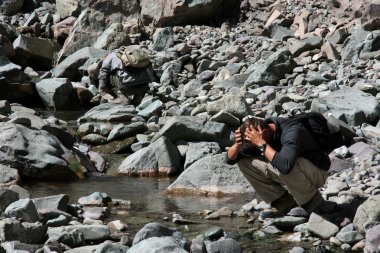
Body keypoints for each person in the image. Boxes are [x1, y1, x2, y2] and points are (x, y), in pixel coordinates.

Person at [226, 115, 335, 218]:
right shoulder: (260, 135)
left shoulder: (291, 130)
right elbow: (229, 160)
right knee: (244, 163)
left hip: (316, 172)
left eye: (254, 142)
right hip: (295, 171)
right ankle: (285, 203)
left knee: (283, 163)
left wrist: (260, 144)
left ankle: (313, 203)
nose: (253, 145)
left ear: (264, 133)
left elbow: (286, 166)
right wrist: (237, 144)